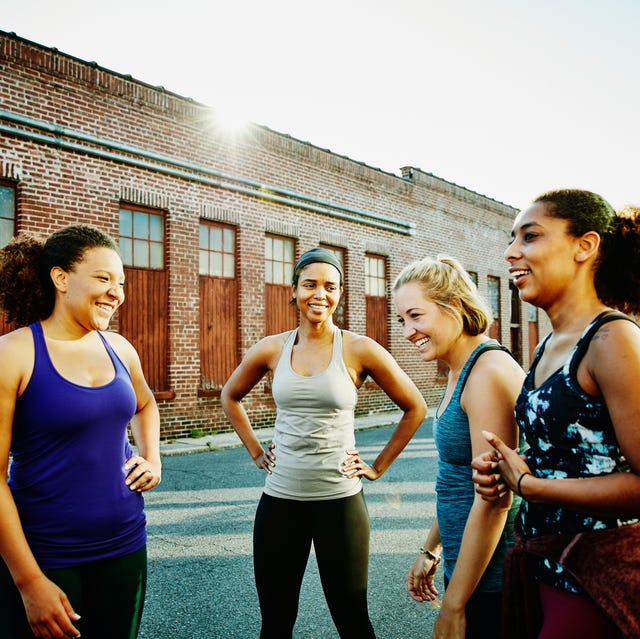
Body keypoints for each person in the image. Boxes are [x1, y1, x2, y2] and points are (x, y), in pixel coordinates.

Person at [220, 246, 427, 638]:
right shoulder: (271, 348)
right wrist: (255, 450)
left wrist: (377, 466)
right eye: (310, 284)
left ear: (340, 293)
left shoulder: (359, 348)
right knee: (276, 623)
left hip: (341, 503)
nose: (320, 294)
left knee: (352, 621)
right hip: (280, 503)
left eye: (330, 286)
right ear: (294, 289)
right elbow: (230, 395)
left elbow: (414, 407)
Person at [472, 191, 640, 639]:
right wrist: (506, 471)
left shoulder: (612, 340)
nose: (511, 253)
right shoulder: (548, 344)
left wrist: (531, 486)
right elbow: (572, 454)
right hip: (545, 563)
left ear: (584, 246)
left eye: (530, 236)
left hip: (598, 574)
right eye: (512, 239)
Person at [0, 224, 161, 639]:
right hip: (47, 555)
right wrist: (29, 582)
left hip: (126, 545)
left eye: (120, 282)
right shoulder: (14, 354)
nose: (116, 292)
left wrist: (152, 456)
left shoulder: (120, 347)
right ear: (60, 278)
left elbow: (146, 405)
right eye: (103, 278)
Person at [393, 255, 524, 639]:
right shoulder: (458, 369)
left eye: (416, 316)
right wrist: (432, 548)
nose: (407, 332)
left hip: (495, 578)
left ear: (453, 307)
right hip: (467, 565)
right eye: (402, 320)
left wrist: (453, 605)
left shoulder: (487, 372)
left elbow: (495, 499)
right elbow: (456, 477)